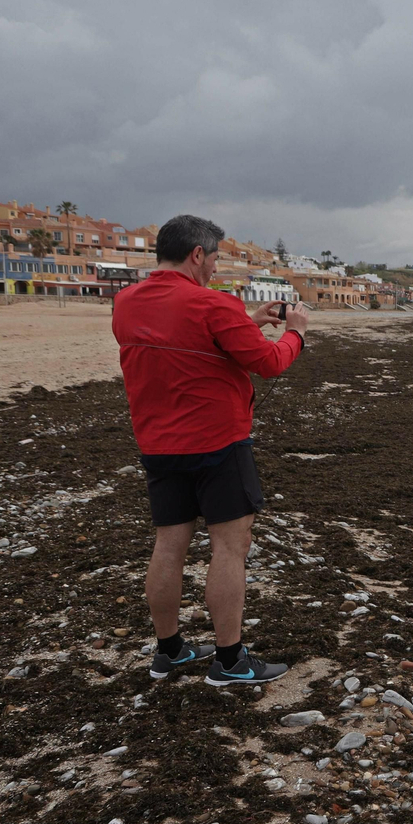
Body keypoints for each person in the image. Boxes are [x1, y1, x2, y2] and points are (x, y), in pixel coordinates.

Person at [111, 214, 309, 686]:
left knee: (169, 545)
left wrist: (246, 321)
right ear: (197, 254)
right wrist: (297, 332)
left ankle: (170, 651)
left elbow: (181, 337)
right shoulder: (212, 303)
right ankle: (230, 660)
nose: (216, 267)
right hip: (218, 444)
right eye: (215, 258)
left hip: (157, 444)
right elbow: (268, 362)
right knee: (230, 547)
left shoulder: (126, 302)